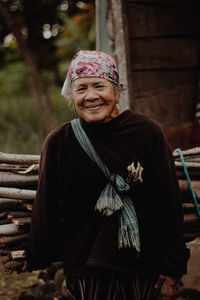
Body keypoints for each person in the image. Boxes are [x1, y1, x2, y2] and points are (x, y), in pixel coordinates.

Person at [23, 50, 190, 299]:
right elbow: (46, 206)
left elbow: (167, 203)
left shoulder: (147, 133)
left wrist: (173, 265)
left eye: (99, 86)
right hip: (84, 267)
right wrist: (36, 254)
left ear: (117, 90)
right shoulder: (60, 141)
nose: (91, 96)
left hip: (141, 267)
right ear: (72, 96)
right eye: (81, 89)